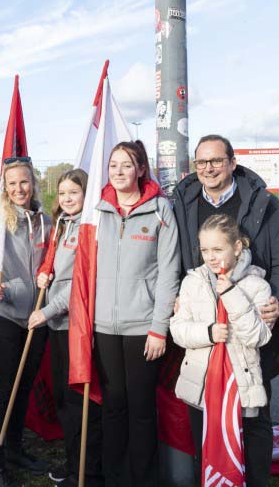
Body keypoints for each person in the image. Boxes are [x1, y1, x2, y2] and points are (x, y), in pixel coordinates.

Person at [173, 134, 279, 485]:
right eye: (201, 162)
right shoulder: (184, 200)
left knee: (254, 418)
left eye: (216, 161)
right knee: (206, 419)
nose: (208, 168)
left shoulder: (261, 203)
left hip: (249, 324)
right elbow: (176, 258)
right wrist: (179, 299)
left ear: (231, 162)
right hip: (205, 332)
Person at [92, 141, 180, 487]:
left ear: (141, 169)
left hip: (144, 328)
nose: (118, 172)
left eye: (126, 165)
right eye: (113, 165)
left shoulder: (160, 209)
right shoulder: (97, 210)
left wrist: (159, 329)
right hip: (104, 327)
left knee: (142, 409)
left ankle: (144, 479)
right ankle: (115, 477)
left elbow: (169, 272)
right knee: (113, 406)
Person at [170, 214, 273, 479]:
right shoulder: (192, 282)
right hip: (202, 386)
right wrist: (207, 332)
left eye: (218, 249)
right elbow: (178, 330)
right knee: (205, 457)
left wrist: (230, 294)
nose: (211, 257)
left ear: (237, 247)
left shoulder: (257, 286)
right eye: (205, 250)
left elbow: (258, 336)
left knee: (246, 459)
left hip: (240, 388)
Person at [0, 157, 51, 487]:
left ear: (33, 183)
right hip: (4, 314)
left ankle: (15, 448)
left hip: (35, 315)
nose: (19, 188)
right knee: (2, 389)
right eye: (12, 184)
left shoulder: (46, 220)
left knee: (24, 386)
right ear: (4, 188)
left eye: (24, 182)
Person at [27, 169, 103, 487]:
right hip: (58, 326)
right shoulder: (62, 225)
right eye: (62, 193)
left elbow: (80, 283)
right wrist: (43, 273)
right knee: (63, 399)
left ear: (87, 194)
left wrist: (46, 311)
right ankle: (74, 462)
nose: (67, 198)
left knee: (79, 401)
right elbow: (55, 268)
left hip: (77, 324)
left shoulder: (89, 229)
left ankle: (88, 470)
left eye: (74, 192)